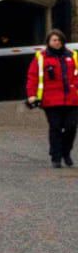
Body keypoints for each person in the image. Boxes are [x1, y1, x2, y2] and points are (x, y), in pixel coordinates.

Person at [26, 28, 78, 167]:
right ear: (48, 41)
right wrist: (31, 95)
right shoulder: (41, 57)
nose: (57, 42)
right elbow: (33, 77)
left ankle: (66, 152)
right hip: (51, 100)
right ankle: (56, 157)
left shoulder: (72, 56)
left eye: (59, 40)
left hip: (72, 99)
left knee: (71, 127)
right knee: (55, 127)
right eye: (54, 40)